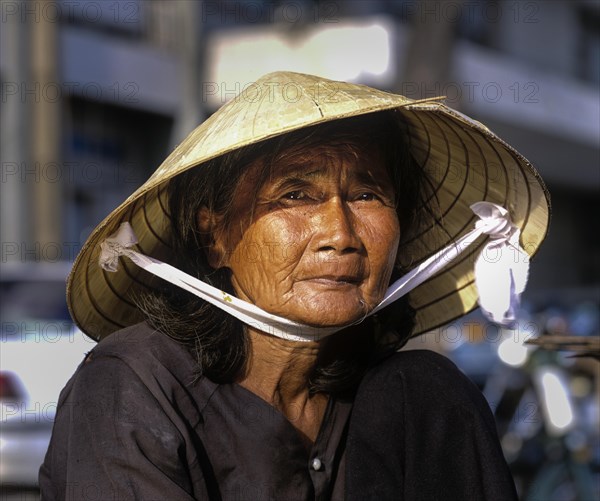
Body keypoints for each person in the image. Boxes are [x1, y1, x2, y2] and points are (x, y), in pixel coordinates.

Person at [39, 72, 550, 500]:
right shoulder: (135, 385)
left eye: (367, 193)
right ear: (214, 236)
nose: (341, 235)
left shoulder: (422, 404)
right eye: (295, 195)